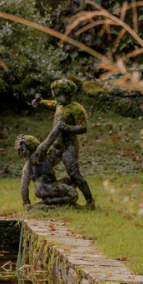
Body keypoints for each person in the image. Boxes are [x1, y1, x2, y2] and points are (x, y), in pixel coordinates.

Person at [41, 77, 95, 208]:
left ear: (69, 94)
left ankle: (89, 200)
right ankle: (53, 193)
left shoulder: (76, 109)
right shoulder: (59, 105)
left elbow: (83, 127)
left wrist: (68, 128)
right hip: (55, 146)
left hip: (68, 146)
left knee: (73, 173)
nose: (57, 99)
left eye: (60, 96)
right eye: (56, 96)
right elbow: (50, 104)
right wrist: (40, 102)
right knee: (44, 168)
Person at [17, 126, 79, 207]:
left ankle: (56, 201)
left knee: (72, 180)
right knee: (73, 194)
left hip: (40, 190)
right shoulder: (39, 153)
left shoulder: (27, 166)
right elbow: (50, 139)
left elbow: (23, 186)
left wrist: (26, 202)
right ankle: (50, 202)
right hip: (48, 188)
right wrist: (59, 127)